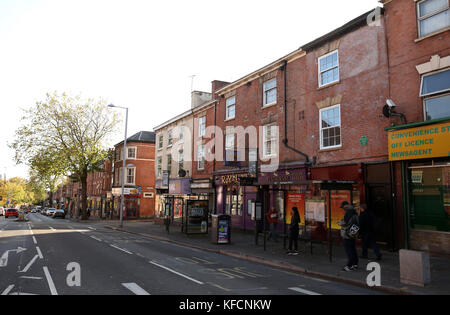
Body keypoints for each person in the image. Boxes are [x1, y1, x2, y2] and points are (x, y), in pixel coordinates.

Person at [338, 201, 359, 271]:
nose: (343, 209)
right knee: (353, 249)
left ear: (345, 206)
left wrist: (339, 223)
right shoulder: (354, 212)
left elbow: (345, 222)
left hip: (347, 234)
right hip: (353, 234)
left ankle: (349, 265)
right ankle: (355, 264)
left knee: (349, 250)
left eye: (343, 207)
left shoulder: (348, 212)